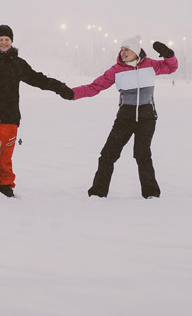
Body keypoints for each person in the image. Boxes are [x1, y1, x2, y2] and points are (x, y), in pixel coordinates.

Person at [0, 25, 73, 200]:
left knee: (5, 155)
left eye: (7, 39)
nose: (4, 42)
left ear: (11, 42)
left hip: (10, 117)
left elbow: (38, 79)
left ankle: (6, 185)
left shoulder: (17, 63)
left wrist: (60, 88)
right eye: (0, 39)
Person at [71, 36, 178, 199]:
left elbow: (171, 67)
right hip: (125, 118)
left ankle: (151, 194)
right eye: (122, 49)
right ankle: (98, 193)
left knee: (142, 154)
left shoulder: (151, 65)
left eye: (127, 49)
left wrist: (168, 54)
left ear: (136, 51)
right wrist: (72, 93)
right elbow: (95, 87)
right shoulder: (116, 70)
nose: (123, 52)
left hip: (147, 117)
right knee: (108, 154)